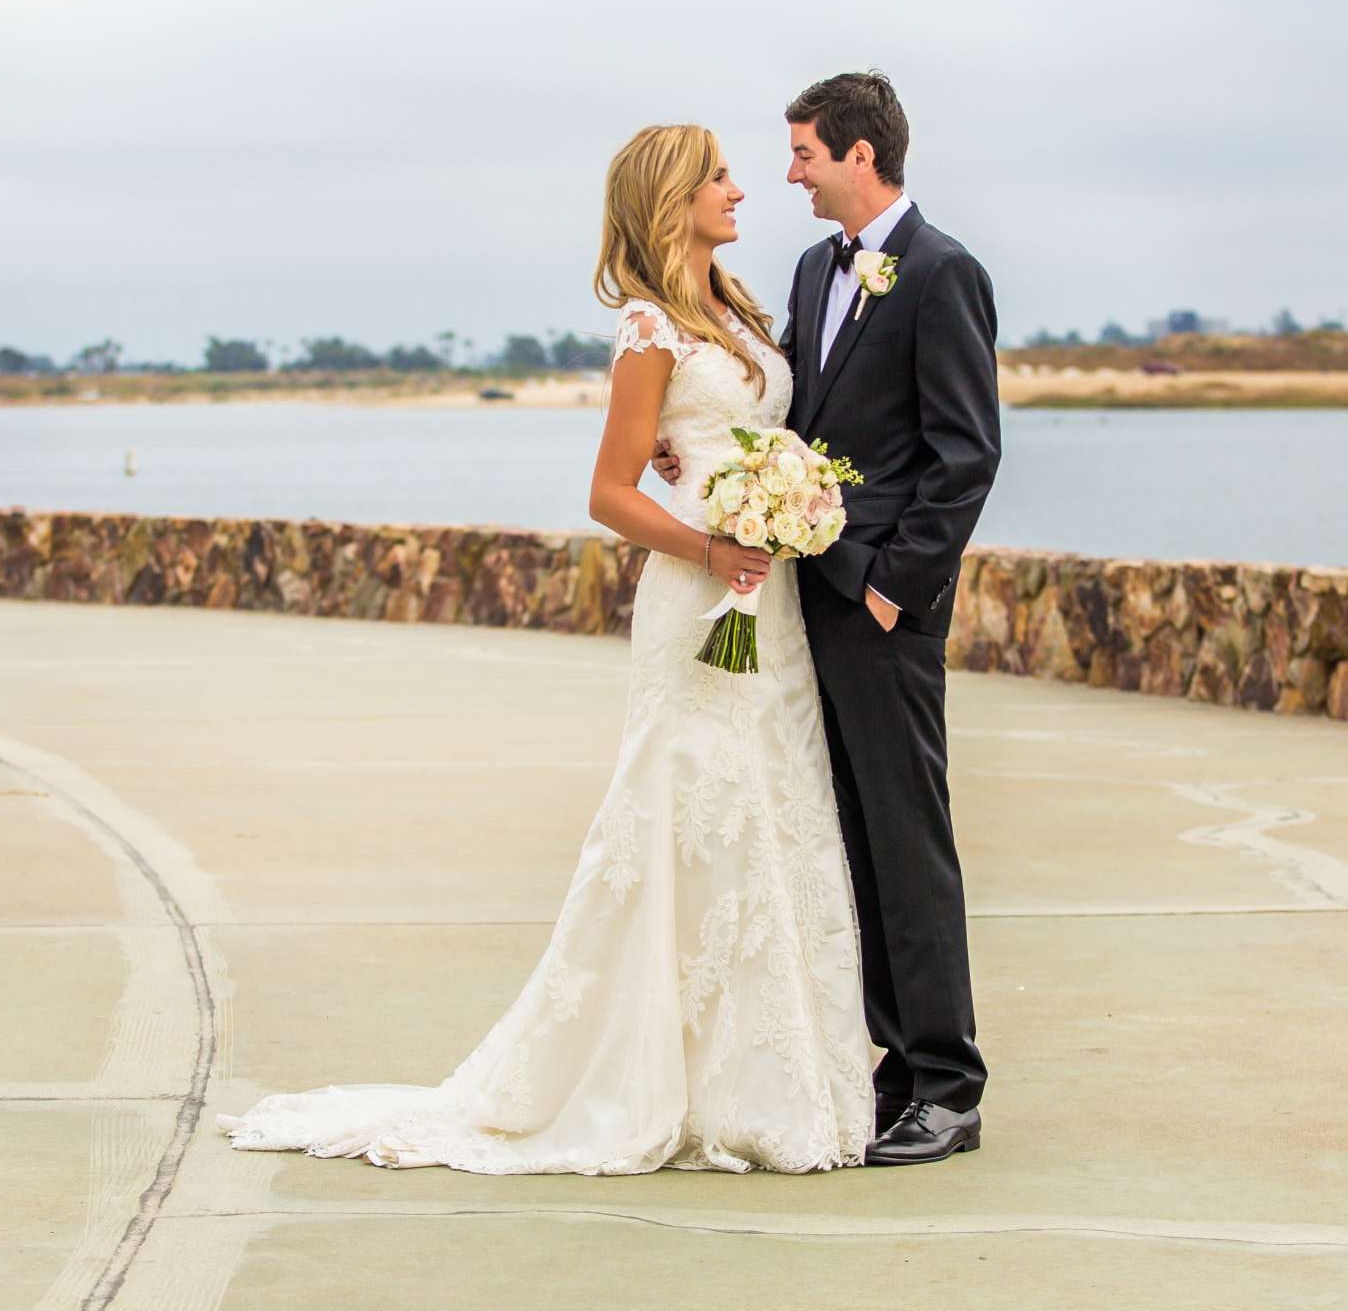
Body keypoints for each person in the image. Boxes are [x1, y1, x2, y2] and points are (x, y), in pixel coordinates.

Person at [214, 123, 875, 1173]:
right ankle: (642, 1077)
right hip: (700, 609)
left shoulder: (741, 308)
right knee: (684, 820)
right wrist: (711, 541)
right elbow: (608, 492)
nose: (740, 188)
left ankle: (771, 1079)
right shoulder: (651, 328)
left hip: (770, 603)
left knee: (773, 810)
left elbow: (733, 437)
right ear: (673, 197)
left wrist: (784, 501)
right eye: (718, 176)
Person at [658, 71, 1001, 1165]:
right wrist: (693, 446)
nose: (788, 172)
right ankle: (895, 1071)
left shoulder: (946, 274)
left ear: (860, 155)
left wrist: (898, 585)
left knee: (909, 841)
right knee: (853, 841)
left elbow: (965, 453)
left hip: (886, 607)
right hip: (811, 594)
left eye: (803, 152)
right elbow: (790, 415)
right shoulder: (812, 270)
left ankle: (949, 1085)